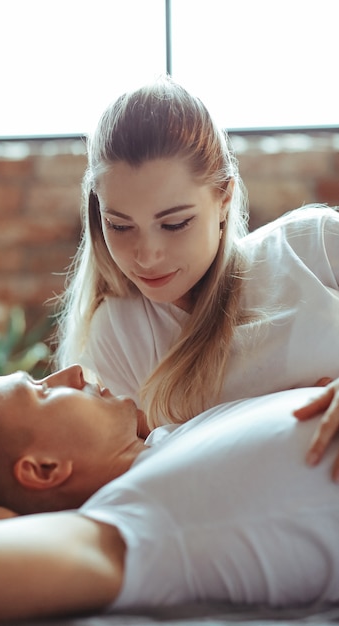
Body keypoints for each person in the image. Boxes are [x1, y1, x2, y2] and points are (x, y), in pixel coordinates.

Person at [55, 75, 339, 468]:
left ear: (223, 198)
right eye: (120, 226)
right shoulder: (119, 333)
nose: (147, 256)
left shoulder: (314, 244)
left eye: (175, 224)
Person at [0, 366, 339, 625]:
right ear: (44, 469)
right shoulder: (129, 525)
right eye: (42, 390)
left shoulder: (167, 441)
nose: (73, 372)